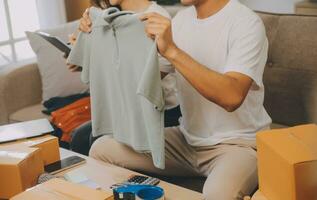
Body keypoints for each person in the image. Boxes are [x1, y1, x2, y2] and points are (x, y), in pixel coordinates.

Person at [81, 0, 272, 199]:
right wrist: (95, 39)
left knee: (218, 195)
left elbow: (231, 97)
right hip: (186, 141)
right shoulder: (181, 20)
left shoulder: (246, 22)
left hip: (238, 145)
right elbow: (140, 84)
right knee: (102, 149)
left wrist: (172, 50)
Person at [67, 0, 180, 156]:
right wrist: (82, 48)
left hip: (159, 113)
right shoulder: (108, 18)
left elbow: (142, 78)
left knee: (87, 139)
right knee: (80, 137)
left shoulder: (156, 19)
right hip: (123, 109)